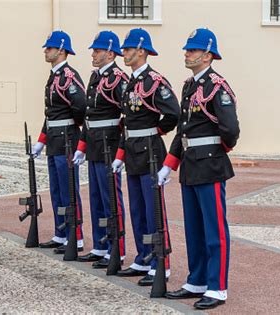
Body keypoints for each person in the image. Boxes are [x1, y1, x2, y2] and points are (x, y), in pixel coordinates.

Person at [159, 28, 240, 310]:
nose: (187, 53)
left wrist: (217, 152)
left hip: (210, 164)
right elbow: (183, 129)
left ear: (208, 55)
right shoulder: (189, 86)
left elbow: (231, 129)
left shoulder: (218, 86)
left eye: (192, 50)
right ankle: (197, 280)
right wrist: (170, 164)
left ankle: (217, 287)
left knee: (214, 229)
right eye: (187, 49)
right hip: (191, 164)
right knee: (194, 228)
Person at [112, 28, 180, 286]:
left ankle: (160, 261)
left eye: (128, 49)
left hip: (150, 150)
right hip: (133, 151)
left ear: (141, 51)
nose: (124, 53)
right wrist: (120, 155)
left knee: (154, 210)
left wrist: (156, 132)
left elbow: (173, 113)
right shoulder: (131, 82)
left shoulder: (155, 81)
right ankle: (143, 256)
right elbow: (127, 122)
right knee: (138, 208)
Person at [73, 31, 128, 268]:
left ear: (109, 52)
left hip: (109, 144)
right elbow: (89, 116)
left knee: (110, 198)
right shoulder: (95, 77)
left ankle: (116, 248)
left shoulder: (119, 79)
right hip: (95, 144)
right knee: (96, 197)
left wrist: (121, 151)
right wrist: (81, 146)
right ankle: (100, 244)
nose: (93, 54)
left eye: (97, 50)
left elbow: (128, 116)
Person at [32, 30, 86, 254]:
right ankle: (61, 231)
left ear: (61, 50)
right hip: (55, 139)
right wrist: (41, 142)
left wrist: (75, 134)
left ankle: (76, 235)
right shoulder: (54, 76)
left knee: (68, 189)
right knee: (56, 189)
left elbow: (81, 107)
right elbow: (51, 114)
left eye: (50, 47)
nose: (46, 51)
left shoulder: (69, 77)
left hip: (66, 138)